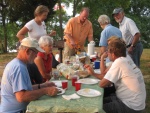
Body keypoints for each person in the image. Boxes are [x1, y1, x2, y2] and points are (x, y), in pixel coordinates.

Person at [0, 37, 58, 113]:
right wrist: (45, 90)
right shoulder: (19, 67)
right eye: (35, 52)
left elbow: (24, 88)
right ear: (27, 51)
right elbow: (22, 96)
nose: (36, 56)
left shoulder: (17, 64)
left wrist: (43, 85)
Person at [96, 37, 145, 112]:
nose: (107, 54)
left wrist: (92, 74)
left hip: (131, 106)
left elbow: (102, 84)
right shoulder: (125, 59)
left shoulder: (119, 62)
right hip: (135, 102)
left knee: (96, 109)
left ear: (112, 54)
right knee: (99, 100)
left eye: (108, 52)